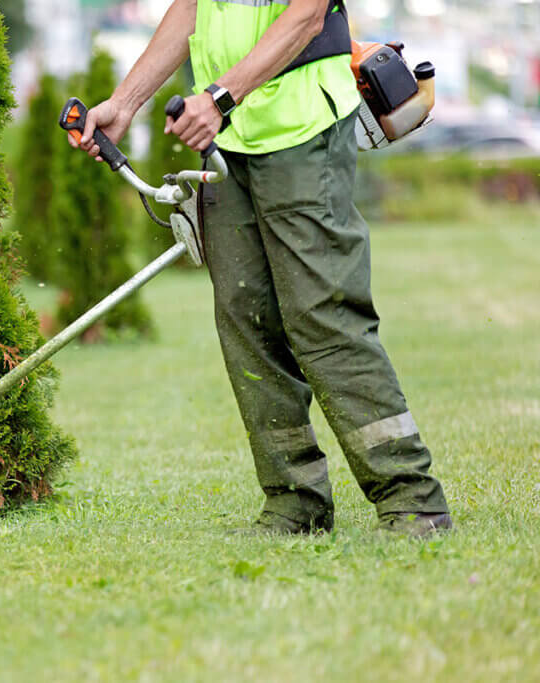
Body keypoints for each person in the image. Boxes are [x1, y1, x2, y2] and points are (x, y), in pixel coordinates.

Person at [68, 0, 451, 536]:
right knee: (246, 318)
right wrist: (126, 103)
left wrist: (220, 97)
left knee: (324, 314)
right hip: (229, 140)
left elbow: (307, 16)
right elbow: (193, 8)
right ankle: (296, 502)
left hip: (301, 129)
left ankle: (412, 499)